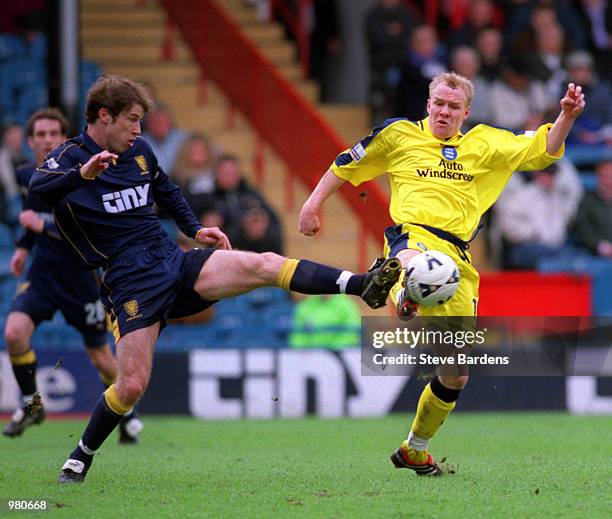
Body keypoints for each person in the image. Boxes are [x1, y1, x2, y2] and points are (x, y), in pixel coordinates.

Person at [29, 75, 401, 483]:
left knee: (263, 264)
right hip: (128, 281)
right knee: (132, 385)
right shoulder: (69, 157)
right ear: (105, 115)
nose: (138, 129)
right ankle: (82, 454)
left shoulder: (139, 152)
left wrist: (194, 229)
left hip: (173, 260)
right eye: (132, 120)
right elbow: (39, 191)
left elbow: (167, 191)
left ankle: (361, 284)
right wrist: (80, 175)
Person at [299, 72, 585, 475]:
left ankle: (415, 447)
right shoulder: (399, 135)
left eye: (453, 107)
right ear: (428, 103)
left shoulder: (485, 142)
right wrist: (312, 206)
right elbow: (346, 164)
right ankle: (401, 292)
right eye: (439, 103)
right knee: (416, 263)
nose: (444, 112)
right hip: (411, 237)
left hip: (459, 259)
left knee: (456, 373)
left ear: (465, 112)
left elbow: (545, 149)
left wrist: (567, 116)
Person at [3, 108, 142, 443]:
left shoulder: (85, 174)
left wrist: (45, 226)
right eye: (40, 135)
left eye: (53, 134)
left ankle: (125, 410)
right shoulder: (28, 176)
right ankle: (32, 403)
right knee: (14, 333)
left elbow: (85, 225)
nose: (47, 140)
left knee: (101, 357)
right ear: (31, 140)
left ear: (64, 139)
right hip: (44, 274)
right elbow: (30, 215)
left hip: (81, 278)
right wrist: (23, 247)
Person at [573, 160, 612, 257]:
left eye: (611, 176)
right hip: (595, 253)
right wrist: (603, 247)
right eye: (605, 176)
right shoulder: (587, 201)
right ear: (598, 177)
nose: (608, 180)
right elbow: (583, 229)